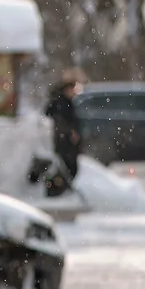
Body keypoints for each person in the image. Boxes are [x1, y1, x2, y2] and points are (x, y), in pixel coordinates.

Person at [43, 69, 86, 197]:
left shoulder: (65, 102)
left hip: (65, 141)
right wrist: (70, 132)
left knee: (66, 167)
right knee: (66, 167)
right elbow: (60, 121)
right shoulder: (61, 103)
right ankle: (57, 190)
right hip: (64, 141)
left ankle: (60, 190)